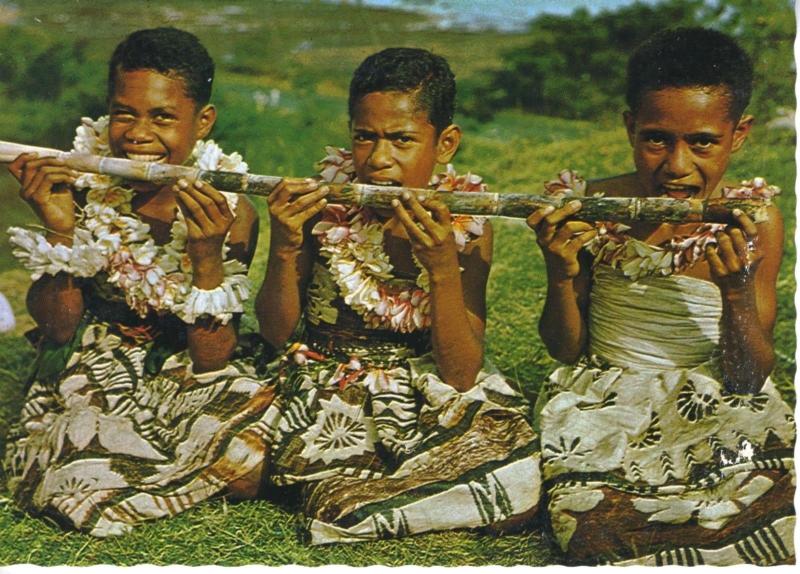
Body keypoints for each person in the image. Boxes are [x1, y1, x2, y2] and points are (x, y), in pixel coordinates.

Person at [526, 27, 795, 566]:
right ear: (630, 127)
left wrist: (737, 294)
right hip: (606, 404)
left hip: (714, 397)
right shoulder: (594, 205)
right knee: (594, 524)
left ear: (738, 134)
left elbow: (748, 376)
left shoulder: (754, 221)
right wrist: (560, 274)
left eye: (702, 142)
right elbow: (565, 349)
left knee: (770, 502)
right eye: (656, 139)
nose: (676, 166)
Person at [254, 47, 540, 544]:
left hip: (423, 389)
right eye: (365, 138)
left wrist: (443, 269)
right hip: (327, 380)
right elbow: (276, 333)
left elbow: (460, 371)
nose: (379, 160)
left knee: (516, 480)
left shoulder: (469, 224)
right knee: (243, 458)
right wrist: (285, 246)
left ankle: (357, 498)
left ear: (445, 143)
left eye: (401, 140)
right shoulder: (321, 204)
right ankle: (368, 494)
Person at [3, 27, 265, 537]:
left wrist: (207, 256)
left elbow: (212, 358)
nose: (139, 135)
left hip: (186, 361)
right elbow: (58, 330)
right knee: (79, 445)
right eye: (125, 113)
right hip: (93, 360)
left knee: (250, 461)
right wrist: (60, 228)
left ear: (203, 122)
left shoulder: (233, 211)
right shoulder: (79, 189)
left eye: (163, 117)